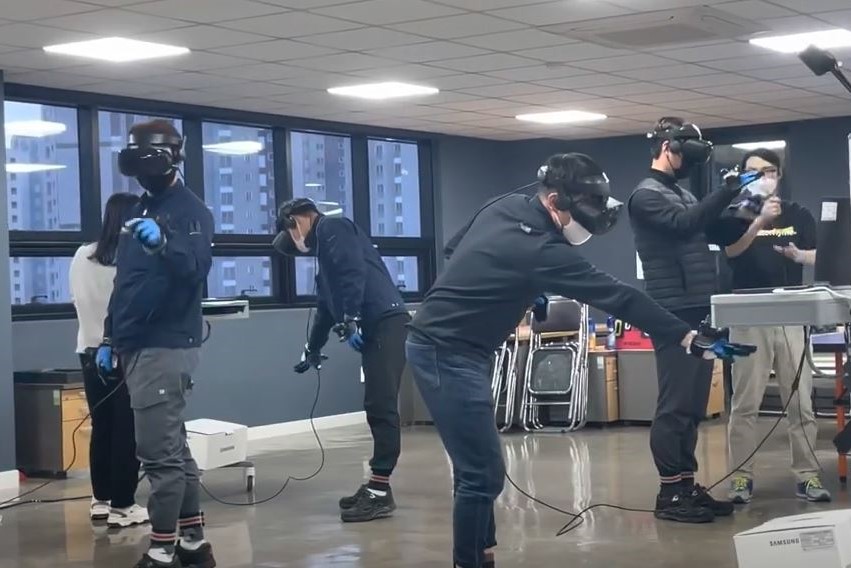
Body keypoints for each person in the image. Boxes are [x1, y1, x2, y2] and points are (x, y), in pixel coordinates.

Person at [406, 152, 754, 568]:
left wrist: (517, 284)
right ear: (554, 200)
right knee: (482, 473)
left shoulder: (505, 204)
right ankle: (469, 561)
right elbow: (619, 296)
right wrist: (687, 336)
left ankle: (482, 553)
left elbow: (454, 248)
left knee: (475, 470)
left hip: (465, 349)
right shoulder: (540, 250)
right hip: (444, 351)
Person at [96, 119, 215, 568]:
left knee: (158, 456)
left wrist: (164, 243)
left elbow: (195, 269)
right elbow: (125, 282)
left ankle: (162, 549)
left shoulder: (190, 211)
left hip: (165, 344)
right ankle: (193, 545)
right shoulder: (140, 208)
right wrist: (109, 337)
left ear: (171, 158)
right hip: (135, 344)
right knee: (174, 449)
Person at [628, 116, 747, 524]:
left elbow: (710, 228)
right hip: (672, 311)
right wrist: (723, 192)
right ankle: (670, 494)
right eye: (686, 157)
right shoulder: (645, 196)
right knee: (675, 405)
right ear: (667, 148)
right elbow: (683, 225)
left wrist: (748, 207)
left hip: (697, 306)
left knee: (694, 405)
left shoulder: (680, 192)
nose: (689, 166)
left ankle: (686, 485)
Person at [273, 198, 410, 523]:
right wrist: (312, 348)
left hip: (386, 321)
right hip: (373, 325)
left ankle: (380, 492)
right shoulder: (326, 261)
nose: (298, 244)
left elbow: (353, 271)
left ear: (296, 221)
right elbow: (324, 311)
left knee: (381, 405)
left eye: (291, 234)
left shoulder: (333, 227)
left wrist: (350, 318)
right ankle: (377, 486)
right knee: (375, 405)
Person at [713, 148, 829, 504]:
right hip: (748, 316)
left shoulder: (799, 214)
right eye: (752, 172)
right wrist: (759, 220)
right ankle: (741, 478)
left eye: (768, 171)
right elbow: (731, 252)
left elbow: (824, 255)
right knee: (745, 403)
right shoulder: (734, 214)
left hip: (791, 314)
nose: (761, 178)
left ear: (778, 176)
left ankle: (807, 475)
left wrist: (799, 256)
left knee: (801, 403)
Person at [70, 192, 147, 528]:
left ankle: (100, 500)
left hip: (88, 350)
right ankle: (124, 504)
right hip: (126, 352)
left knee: (102, 427)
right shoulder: (131, 259)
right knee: (127, 430)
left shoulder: (82, 254)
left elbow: (77, 299)